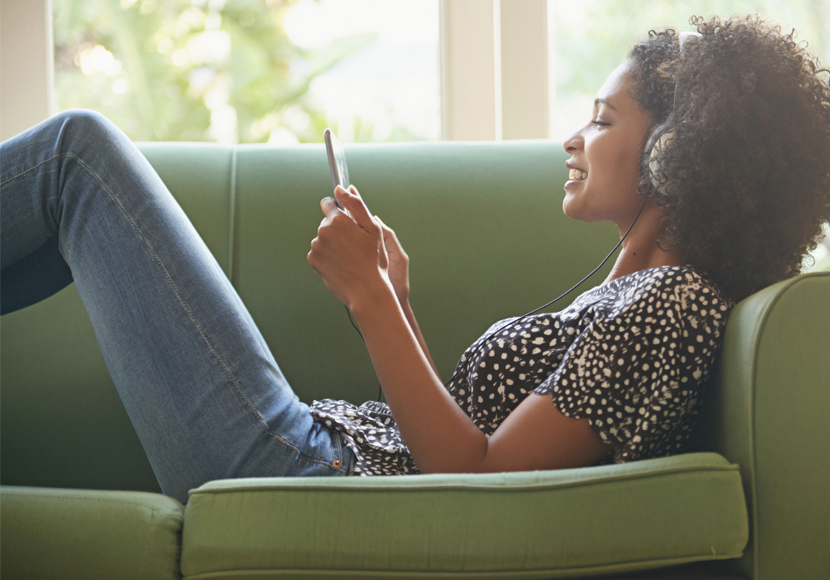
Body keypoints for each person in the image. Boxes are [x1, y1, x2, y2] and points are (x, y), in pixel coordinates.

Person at [2, 14, 828, 504]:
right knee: (74, 188)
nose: (574, 138)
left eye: (604, 121)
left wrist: (373, 303)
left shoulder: (669, 305)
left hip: (309, 475)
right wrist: (392, 294)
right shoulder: (635, 293)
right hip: (321, 457)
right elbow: (466, 448)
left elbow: (482, 484)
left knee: (78, 157)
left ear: (679, 154)